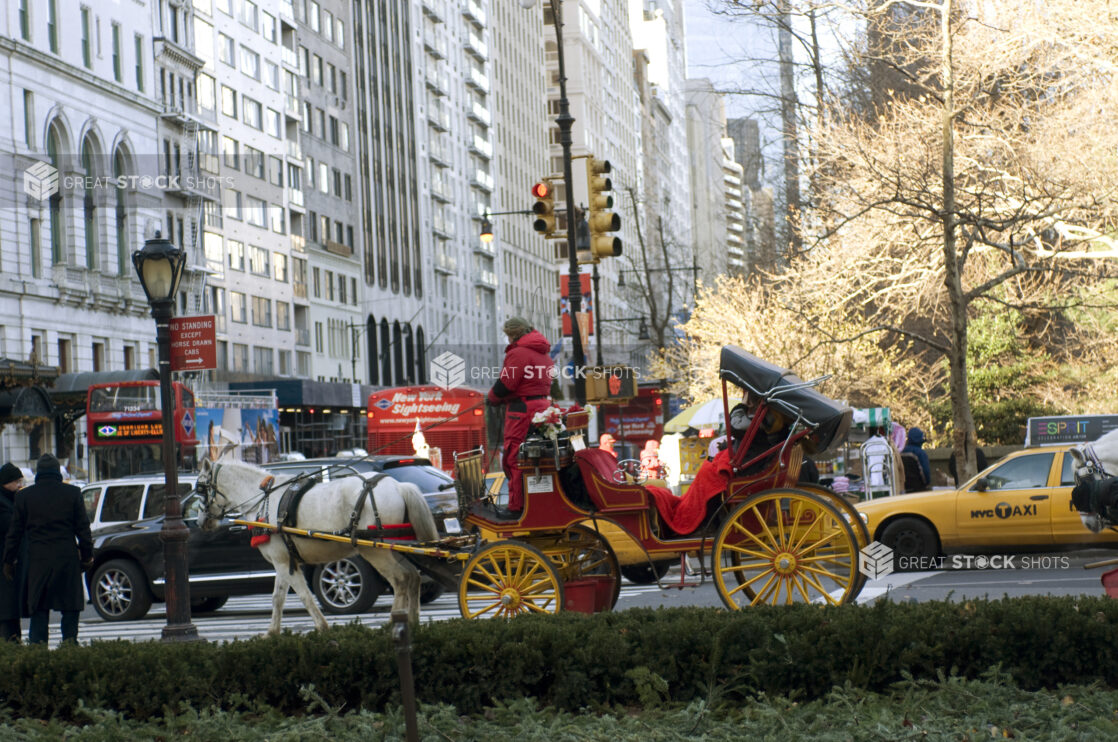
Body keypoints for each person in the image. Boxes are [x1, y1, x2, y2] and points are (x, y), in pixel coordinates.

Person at [3, 454, 93, 645]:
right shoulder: (73, 493)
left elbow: (14, 534)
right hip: (67, 558)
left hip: (38, 561)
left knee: (39, 610)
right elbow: (84, 531)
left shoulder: (25, 497)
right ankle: (69, 648)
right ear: (57, 473)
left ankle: (38, 651)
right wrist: (87, 557)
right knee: (70, 609)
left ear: (38, 474)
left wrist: (8, 561)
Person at [487, 317, 555, 516]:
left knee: (515, 457)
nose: (507, 340)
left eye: (508, 335)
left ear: (513, 334)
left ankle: (516, 507)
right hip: (541, 406)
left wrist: (492, 398)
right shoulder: (543, 353)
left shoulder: (519, 353)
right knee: (536, 457)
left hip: (522, 411)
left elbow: (506, 385)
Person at [0, 463, 27, 642]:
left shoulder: (10, 500)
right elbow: (11, 529)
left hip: (8, 562)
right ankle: (10, 644)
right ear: (5, 482)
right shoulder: (4, 504)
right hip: (4, 563)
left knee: (10, 609)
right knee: (7, 610)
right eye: (16, 481)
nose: (19, 485)